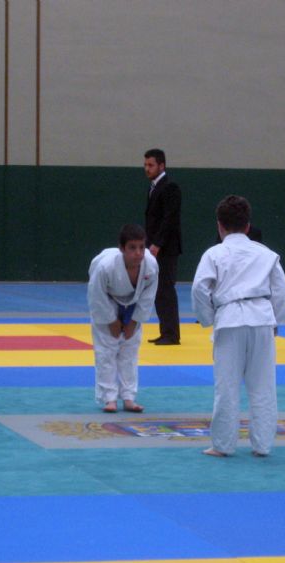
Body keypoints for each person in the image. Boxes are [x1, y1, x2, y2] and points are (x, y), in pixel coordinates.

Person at [192, 195, 285, 457]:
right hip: (262, 318)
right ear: (248, 226)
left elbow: (199, 288)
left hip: (229, 320)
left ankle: (222, 445)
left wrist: (208, 318)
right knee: (263, 386)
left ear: (219, 225)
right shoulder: (266, 254)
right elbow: (281, 290)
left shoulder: (214, 253)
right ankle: (263, 445)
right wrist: (277, 320)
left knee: (226, 387)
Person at [87, 224, 158, 413]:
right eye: (132, 248)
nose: (138, 253)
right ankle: (109, 398)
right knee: (106, 352)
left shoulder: (151, 265)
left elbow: (148, 296)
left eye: (141, 247)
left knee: (130, 351)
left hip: (133, 303)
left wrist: (134, 321)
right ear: (122, 248)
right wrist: (111, 321)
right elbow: (96, 295)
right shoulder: (105, 267)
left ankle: (128, 397)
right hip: (107, 300)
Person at [143, 148, 182, 345]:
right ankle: (165, 331)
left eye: (151, 165)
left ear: (161, 165)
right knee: (158, 290)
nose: (147, 168)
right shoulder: (154, 187)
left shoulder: (170, 187)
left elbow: (170, 219)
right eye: (145, 165)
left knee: (166, 289)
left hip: (166, 249)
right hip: (155, 247)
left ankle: (172, 334)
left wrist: (157, 244)